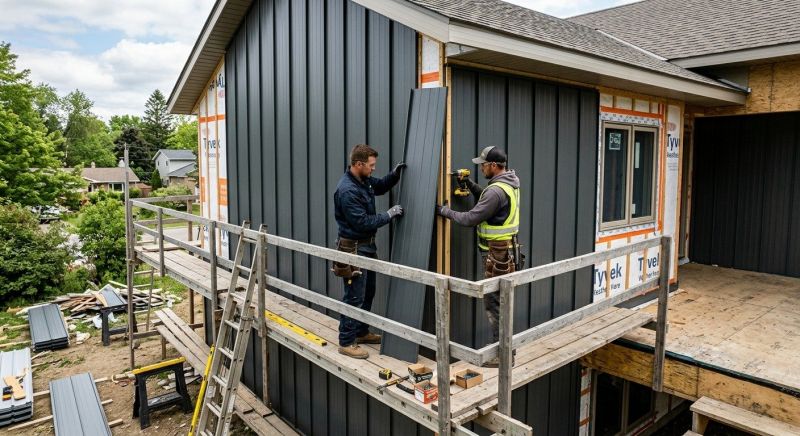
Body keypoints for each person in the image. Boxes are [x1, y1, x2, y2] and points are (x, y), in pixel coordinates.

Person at [436, 146, 520, 367]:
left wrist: (444, 211)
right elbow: (490, 202)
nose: (481, 168)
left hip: (497, 254)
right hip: (504, 252)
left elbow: (470, 218)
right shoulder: (508, 184)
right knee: (502, 302)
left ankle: (502, 356)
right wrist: (470, 185)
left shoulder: (495, 191)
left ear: (493, 165)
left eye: (483, 165)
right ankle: (505, 351)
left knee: (495, 304)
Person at [333, 143, 405, 359]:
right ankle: (346, 342)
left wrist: (395, 174)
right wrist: (389, 215)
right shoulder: (347, 190)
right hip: (354, 249)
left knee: (368, 291)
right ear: (358, 164)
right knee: (354, 296)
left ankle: (361, 332)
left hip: (367, 246)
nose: (374, 169)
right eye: (371, 165)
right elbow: (362, 222)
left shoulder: (363, 180)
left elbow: (380, 186)